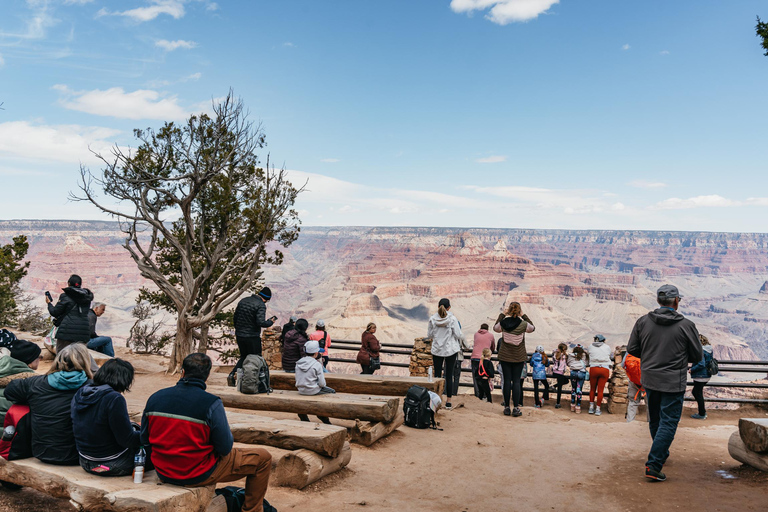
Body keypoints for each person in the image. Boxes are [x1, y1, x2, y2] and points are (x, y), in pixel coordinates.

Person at [141, 354, 272, 512]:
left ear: (182, 372)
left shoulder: (155, 398)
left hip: (163, 470)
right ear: (207, 376)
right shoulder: (211, 403)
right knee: (263, 458)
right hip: (197, 472)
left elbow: (144, 438)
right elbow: (225, 448)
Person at [627, 284, 703, 482]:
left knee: (655, 419)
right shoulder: (687, 325)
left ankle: (660, 451)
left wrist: (652, 356)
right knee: (669, 421)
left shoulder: (643, 322)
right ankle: (654, 464)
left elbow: (633, 349)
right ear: (676, 301)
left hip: (650, 379)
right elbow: (697, 355)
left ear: (658, 301)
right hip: (673, 381)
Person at [5, 344, 92, 465]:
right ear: (86, 362)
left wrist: (36, 399)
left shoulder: (35, 383)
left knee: (20, 408)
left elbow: (9, 392)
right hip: (78, 454)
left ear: (57, 361)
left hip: (42, 452)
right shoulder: (94, 387)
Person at [71, 359, 149, 476]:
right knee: (152, 450)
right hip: (111, 463)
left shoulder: (81, 392)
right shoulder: (114, 398)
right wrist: (147, 433)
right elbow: (127, 440)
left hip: (85, 460)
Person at [494, 301, 535, 417]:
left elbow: (495, 328)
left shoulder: (503, 323)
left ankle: (507, 407)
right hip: (518, 357)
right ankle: (516, 408)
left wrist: (503, 314)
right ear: (519, 311)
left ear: (509, 310)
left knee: (507, 381)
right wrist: (524, 315)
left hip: (505, 357)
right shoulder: (523, 324)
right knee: (517, 382)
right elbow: (533, 328)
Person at [231, 287, 276, 384]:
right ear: (266, 299)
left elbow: (235, 318)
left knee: (244, 357)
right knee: (256, 358)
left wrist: (239, 329)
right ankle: (256, 381)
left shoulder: (243, 301)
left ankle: (232, 375)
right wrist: (270, 322)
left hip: (240, 335)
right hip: (252, 337)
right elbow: (260, 322)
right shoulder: (260, 305)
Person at [427, 298, 464, 410]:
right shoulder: (452, 319)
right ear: (449, 307)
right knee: (449, 375)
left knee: (437, 375)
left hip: (437, 350)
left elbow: (429, 335)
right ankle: (448, 401)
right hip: (450, 350)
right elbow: (458, 334)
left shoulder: (433, 319)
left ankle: (437, 400)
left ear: (438, 306)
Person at [46, 274, 94, 353]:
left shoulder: (65, 296)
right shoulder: (87, 298)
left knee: (61, 355)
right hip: (83, 332)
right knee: (79, 358)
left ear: (68, 283)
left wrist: (49, 303)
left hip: (66, 332)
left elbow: (55, 312)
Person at [0, 339, 40, 425]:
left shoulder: (2, 372)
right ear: (30, 362)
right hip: (14, 434)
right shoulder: (34, 383)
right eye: (39, 357)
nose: (40, 359)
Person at [295, 339, 335, 424]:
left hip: (301, 390)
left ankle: (304, 416)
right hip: (313, 390)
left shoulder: (298, 363)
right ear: (316, 353)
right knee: (332, 392)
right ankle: (324, 418)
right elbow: (322, 384)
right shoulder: (316, 364)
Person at [690, 334, 714, 420]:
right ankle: (702, 412)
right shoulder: (709, 350)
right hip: (706, 374)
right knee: (697, 392)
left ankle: (702, 414)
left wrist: (692, 369)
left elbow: (701, 364)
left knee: (697, 393)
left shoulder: (701, 351)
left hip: (700, 375)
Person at [587, 334, 612, 416]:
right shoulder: (607, 347)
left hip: (594, 368)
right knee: (600, 390)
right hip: (604, 369)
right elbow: (608, 355)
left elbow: (589, 354)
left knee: (592, 389)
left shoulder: (590, 346)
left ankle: (591, 407)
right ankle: (598, 409)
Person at [470, 324, 496, 398]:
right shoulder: (490, 335)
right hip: (484, 358)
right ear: (487, 329)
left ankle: (478, 394)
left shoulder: (476, 334)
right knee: (485, 376)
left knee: (476, 377)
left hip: (475, 357)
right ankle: (484, 394)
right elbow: (493, 346)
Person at [623, 352, 647, 423]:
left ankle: (629, 421)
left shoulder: (631, 350)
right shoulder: (650, 347)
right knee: (650, 403)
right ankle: (650, 422)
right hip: (647, 381)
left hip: (633, 380)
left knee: (633, 401)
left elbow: (623, 365)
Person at [567, 345, 587, 414]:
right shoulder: (584, 355)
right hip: (581, 373)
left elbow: (568, 363)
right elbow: (587, 363)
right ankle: (578, 406)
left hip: (573, 373)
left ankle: (572, 405)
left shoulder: (570, 355)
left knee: (573, 389)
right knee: (579, 390)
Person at [551, 343, 569, 409]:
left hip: (555, 372)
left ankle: (554, 386)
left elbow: (553, 361)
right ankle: (557, 403)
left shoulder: (555, 354)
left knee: (562, 383)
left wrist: (556, 350)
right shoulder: (564, 356)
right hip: (560, 373)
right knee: (562, 385)